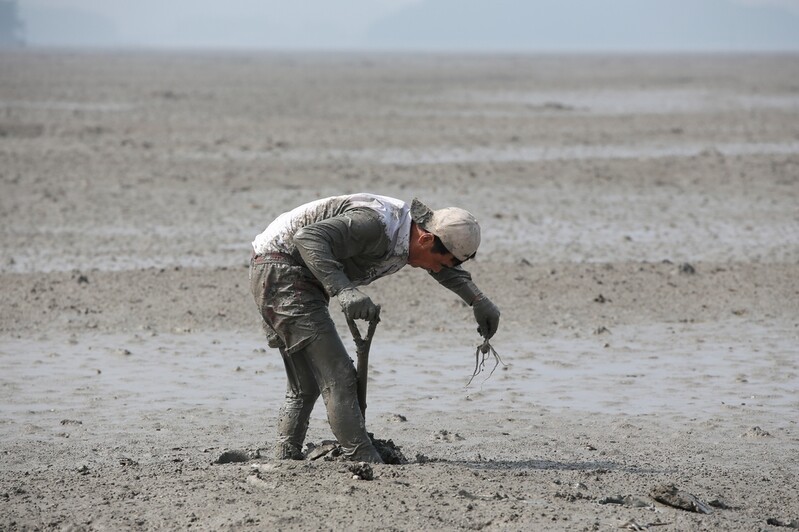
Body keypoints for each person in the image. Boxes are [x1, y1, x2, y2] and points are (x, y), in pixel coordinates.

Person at [249, 193, 500, 463]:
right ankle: (362, 456)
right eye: (439, 263)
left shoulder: (414, 231)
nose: (438, 270)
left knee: (305, 382)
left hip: (287, 272)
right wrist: (344, 290)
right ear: (426, 239)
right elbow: (308, 238)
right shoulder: (374, 224)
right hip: (282, 272)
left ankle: (285, 456)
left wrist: (477, 299)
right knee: (340, 374)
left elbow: (445, 267)